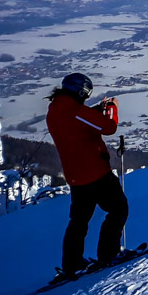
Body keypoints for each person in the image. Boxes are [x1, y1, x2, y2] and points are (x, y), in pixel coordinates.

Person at [45, 73, 129, 277]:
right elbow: (108, 127)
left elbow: (79, 120)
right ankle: (109, 254)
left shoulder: (56, 110)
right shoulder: (75, 110)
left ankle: (71, 264)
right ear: (80, 91)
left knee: (78, 221)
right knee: (118, 210)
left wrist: (94, 111)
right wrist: (110, 109)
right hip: (95, 173)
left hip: (75, 177)